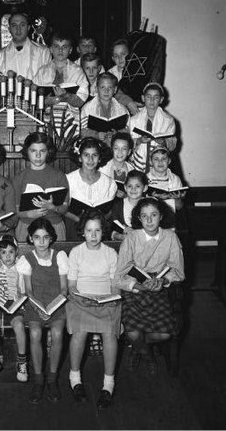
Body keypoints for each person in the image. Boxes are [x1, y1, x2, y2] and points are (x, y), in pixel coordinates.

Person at [114, 197, 185, 374]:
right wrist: (139, 286)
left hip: (159, 288)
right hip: (136, 288)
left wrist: (163, 281)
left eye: (153, 215)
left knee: (165, 334)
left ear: (161, 216)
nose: (149, 220)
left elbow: (178, 271)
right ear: (138, 218)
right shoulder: (131, 238)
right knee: (132, 333)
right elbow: (119, 277)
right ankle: (146, 355)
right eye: (144, 216)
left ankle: (137, 347)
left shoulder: (170, 237)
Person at [66, 210, 121, 408]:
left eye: (97, 230)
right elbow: (71, 286)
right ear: (83, 232)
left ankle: (108, 383)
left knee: (109, 335)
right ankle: (75, 378)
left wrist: (110, 298)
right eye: (89, 230)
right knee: (80, 332)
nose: (94, 235)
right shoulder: (76, 252)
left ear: (103, 232)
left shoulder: (110, 253)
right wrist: (81, 298)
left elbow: (115, 285)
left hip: (106, 301)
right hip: (81, 301)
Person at [16, 218, 69, 403]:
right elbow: (28, 291)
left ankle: (52, 379)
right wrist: (39, 308)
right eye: (37, 237)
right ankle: (39, 379)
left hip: (57, 304)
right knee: (36, 333)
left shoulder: (59, 256)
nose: (41, 242)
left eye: (46, 237)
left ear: (51, 238)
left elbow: (64, 290)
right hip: (35, 304)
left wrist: (52, 308)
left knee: (56, 333)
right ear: (30, 238)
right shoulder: (27, 259)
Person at [0, 234, 28, 383]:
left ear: (16, 252)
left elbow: (25, 290)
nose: (7, 256)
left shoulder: (21, 268)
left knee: (19, 325)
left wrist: (23, 296)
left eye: (11, 252)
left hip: (15, 303)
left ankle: (21, 362)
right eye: (3, 252)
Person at [11, 132, 69, 242]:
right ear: (27, 152)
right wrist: (29, 213)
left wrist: (52, 207)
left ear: (48, 152)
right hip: (27, 226)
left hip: (54, 226)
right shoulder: (19, 178)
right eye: (33, 151)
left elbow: (64, 208)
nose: (38, 155)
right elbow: (13, 209)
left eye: (42, 151)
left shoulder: (59, 176)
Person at [34, 31, 88, 132]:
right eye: (56, 46)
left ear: (70, 50)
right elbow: (32, 98)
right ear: (50, 49)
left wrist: (66, 95)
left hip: (70, 120)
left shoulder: (77, 71)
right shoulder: (42, 71)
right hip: (46, 119)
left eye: (65, 47)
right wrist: (44, 101)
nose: (60, 50)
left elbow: (82, 99)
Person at [65, 137, 117, 240]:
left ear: (100, 158)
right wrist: (79, 219)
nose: (90, 159)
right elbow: (62, 209)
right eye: (86, 155)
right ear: (79, 157)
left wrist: (98, 221)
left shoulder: (110, 183)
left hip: (98, 231)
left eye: (94, 155)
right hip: (74, 227)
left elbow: (110, 211)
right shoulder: (68, 179)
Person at [129, 82, 177, 173]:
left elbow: (172, 144)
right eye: (148, 97)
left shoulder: (168, 120)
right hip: (138, 161)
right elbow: (128, 142)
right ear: (143, 98)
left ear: (161, 99)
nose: (152, 100)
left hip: (159, 162)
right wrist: (139, 140)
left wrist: (164, 142)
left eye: (156, 97)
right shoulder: (133, 120)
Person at [0, 12, 51, 80]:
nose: (18, 29)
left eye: (22, 25)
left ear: (28, 28)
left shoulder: (43, 52)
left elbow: (47, 80)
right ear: (9, 29)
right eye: (14, 25)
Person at [80, 72, 129, 147]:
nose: (106, 91)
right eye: (102, 87)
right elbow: (82, 131)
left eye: (110, 87)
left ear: (115, 89)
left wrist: (116, 134)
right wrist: (96, 135)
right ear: (96, 89)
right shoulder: (87, 108)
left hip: (115, 147)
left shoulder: (122, 109)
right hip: (94, 146)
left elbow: (127, 130)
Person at [110, 170, 148, 241]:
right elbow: (114, 228)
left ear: (145, 188)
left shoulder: (150, 205)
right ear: (125, 187)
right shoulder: (118, 206)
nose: (133, 189)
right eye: (130, 186)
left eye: (138, 186)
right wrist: (123, 232)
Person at [146, 147, 186, 213]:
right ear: (150, 162)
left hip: (169, 215)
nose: (160, 162)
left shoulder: (175, 179)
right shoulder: (145, 179)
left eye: (164, 158)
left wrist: (177, 199)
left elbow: (179, 207)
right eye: (156, 159)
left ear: (169, 161)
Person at [108, 39, 141, 115]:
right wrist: (128, 102)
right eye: (116, 56)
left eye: (123, 54)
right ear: (113, 58)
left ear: (130, 54)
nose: (120, 58)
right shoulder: (110, 74)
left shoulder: (138, 70)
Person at [100, 132, 134, 196]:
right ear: (112, 149)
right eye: (116, 148)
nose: (120, 152)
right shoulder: (102, 168)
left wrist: (125, 196)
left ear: (129, 152)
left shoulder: (132, 171)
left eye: (124, 149)